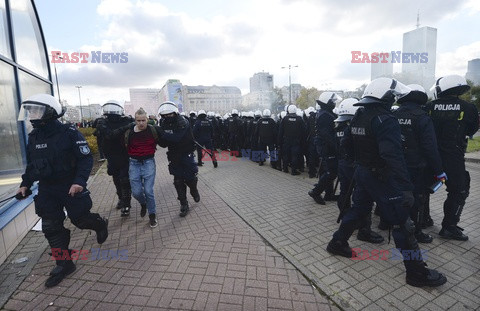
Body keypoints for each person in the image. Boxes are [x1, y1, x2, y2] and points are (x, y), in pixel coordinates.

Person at [326, 78, 447, 287]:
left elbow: (346, 144)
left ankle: (337, 242)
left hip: (363, 173)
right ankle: (416, 272)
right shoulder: (385, 119)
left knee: (358, 210)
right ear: (387, 97)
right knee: (403, 223)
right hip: (383, 177)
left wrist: (361, 163)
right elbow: (393, 156)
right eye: (393, 97)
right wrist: (405, 186)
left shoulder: (359, 115)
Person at [16, 94, 108, 288]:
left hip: (70, 185)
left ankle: (99, 224)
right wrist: (25, 183)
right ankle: (64, 263)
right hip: (47, 188)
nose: (31, 114)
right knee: (50, 227)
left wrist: (79, 181)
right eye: (30, 110)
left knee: (80, 220)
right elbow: (33, 165)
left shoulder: (68, 132)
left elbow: (85, 159)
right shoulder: (34, 136)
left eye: (36, 110)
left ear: (50, 112)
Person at [427, 75, 479, 241]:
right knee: (458, 191)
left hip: (430, 156)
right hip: (453, 158)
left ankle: (421, 220)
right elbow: (472, 130)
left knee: (422, 189)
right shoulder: (468, 107)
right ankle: (449, 227)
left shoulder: (429, 107)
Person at [393, 85, 446, 243]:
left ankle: (395, 224)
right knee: (416, 200)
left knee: (399, 195)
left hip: (396, 164)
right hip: (416, 167)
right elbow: (430, 148)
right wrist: (439, 171)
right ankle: (415, 232)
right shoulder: (422, 117)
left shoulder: (393, 114)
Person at [334, 98, 384, 244]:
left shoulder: (339, 126)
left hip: (344, 164)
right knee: (362, 198)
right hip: (355, 165)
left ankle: (346, 217)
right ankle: (363, 228)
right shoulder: (358, 124)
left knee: (345, 192)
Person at [158, 101, 199, 217]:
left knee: (191, 178)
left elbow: (176, 138)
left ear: (175, 113)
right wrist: (158, 137)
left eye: (169, 114)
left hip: (186, 154)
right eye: (165, 115)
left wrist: (161, 132)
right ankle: (183, 204)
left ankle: (194, 190)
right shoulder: (163, 123)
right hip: (174, 155)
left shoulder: (183, 121)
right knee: (178, 181)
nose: (167, 117)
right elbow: (164, 144)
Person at [123, 108, 163, 227]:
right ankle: (143, 203)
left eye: (143, 120)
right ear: (135, 120)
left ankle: (152, 214)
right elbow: (124, 146)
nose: (141, 123)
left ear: (147, 120)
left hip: (148, 162)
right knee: (136, 192)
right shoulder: (129, 132)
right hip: (134, 163)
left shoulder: (153, 130)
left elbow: (165, 140)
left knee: (148, 191)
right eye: (138, 120)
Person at [95, 100, 133, 214]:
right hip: (111, 156)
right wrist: (127, 126)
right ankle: (121, 199)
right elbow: (109, 135)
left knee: (125, 180)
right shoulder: (102, 123)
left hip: (124, 155)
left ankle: (126, 204)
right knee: (116, 179)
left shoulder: (126, 121)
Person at [309, 92, 342, 204]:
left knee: (329, 171)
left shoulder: (326, 113)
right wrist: (337, 148)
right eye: (332, 101)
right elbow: (327, 136)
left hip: (326, 146)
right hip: (327, 147)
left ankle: (329, 194)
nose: (334, 103)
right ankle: (315, 192)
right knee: (331, 172)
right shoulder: (325, 115)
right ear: (327, 102)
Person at [278, 104, 305, 175]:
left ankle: (285, 169)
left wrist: (280, 141)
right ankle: (293, 170)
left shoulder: (285, 119)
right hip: (296, 141)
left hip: (286, 140)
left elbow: (281, 131)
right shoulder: (299, 119)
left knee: (285, 155)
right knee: (294, 155)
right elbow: (303, 131)